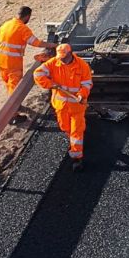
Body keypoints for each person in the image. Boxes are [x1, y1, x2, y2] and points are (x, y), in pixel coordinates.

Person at [34, 43, 93, 172]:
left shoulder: (82, 66)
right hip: (61, 105)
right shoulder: (54, 62)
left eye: (64, 57)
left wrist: (81, 95)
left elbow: (87, 84)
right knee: (65, 127)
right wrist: (50, 84)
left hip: (77, 106)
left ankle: (77, 158)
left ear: (71, 54)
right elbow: (38, 74)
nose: (61, 59)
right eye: (60, 57)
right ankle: (74, 143)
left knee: (76, 132)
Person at [0, 6, 56, 123]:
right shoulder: (22, 28)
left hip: (0, 61)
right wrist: (52, 45)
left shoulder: (6, 24)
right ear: (27, 16)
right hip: (13, 64)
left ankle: (15, 108)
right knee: (14, 90)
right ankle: (13, 115)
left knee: (8, 85)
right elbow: (36, 43)